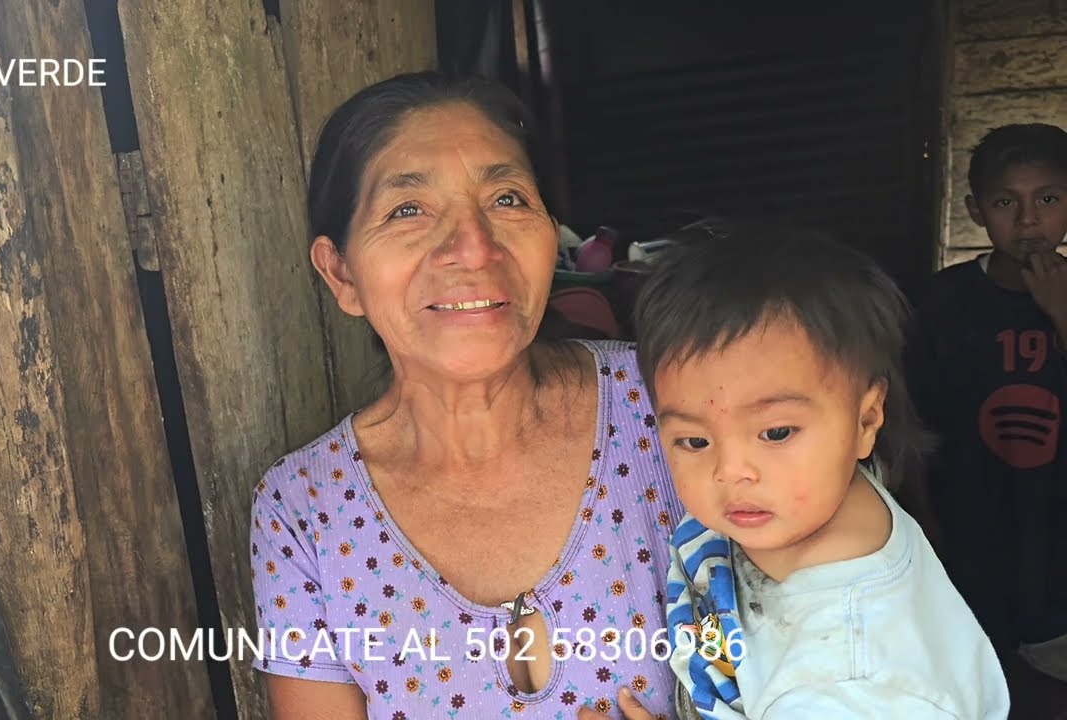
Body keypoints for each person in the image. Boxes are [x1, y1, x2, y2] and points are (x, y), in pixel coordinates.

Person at [249, 72, 683, 720]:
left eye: (507, 199)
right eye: (408, 210)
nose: (474, 248)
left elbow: (847, 646)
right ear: (342, 274)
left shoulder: (669, 407)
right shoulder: (303, 511)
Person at [582, 225, 1009, 719]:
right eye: (694, 441)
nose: (731, 471)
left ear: (866, 420)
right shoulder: (813, 498)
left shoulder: (854, 684)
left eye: (777, 433)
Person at [906, 123, 1067, 712]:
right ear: (976, 210)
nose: (1028, 221)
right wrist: (924, 518)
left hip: (1057, 529)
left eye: (1048, 199)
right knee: (981, 668)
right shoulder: (943, 301)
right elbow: (913, 420)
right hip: (971, 520)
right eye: (1007, 202)